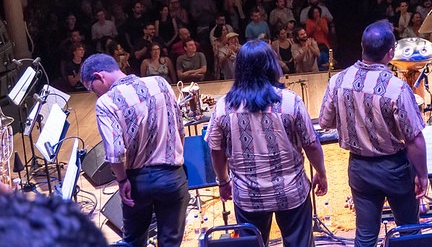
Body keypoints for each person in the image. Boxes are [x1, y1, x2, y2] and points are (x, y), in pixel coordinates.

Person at [206, 40, 328, 247]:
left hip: (247, 195)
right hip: (291, 191)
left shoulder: (223, 107)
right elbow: (311, 144)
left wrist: (223, 182)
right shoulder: (290, 101)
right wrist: (321, 173)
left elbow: (215, 150)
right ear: (271, 65)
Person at [319, 20, 428, 247]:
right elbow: (414, 138)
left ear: (362, 47)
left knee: (365, 236)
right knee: (409, 232)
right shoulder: (396, 88)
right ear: (390, 53)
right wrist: (422, 175)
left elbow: (324, 122)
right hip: (394, 168)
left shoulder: (338, 81)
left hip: (359, 167)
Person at [81, 53, 189, 247]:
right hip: (172, 177)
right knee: (171, 243)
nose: (95, 94)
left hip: (138, 183)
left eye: (92, 88)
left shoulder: (106, 103)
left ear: (99, 77)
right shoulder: (160, 83)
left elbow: (116, 153)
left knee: (133, 242)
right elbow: (180, 129)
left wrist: (122, 180)